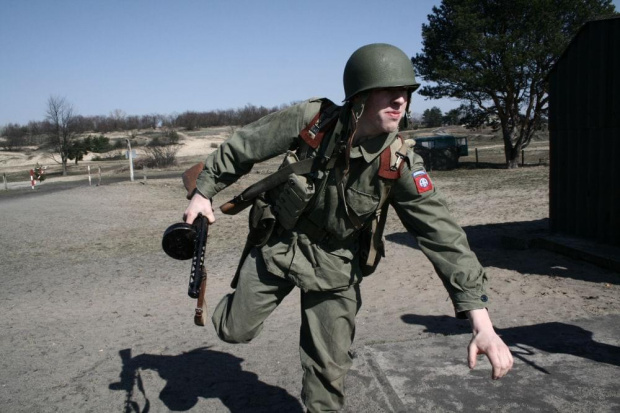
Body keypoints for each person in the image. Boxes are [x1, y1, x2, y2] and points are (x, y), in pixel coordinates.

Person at [183, 43, 513, 412]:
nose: (400, 101)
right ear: (358, 97)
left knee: (328, 370)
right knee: (233, 330)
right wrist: (203, 192)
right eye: (389, 92)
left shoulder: (399, 162)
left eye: (405, 93)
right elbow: (245, 146)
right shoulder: (313, 120)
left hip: (336, 265)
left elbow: (442, 234)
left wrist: (481, 322)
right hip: (280, 245)